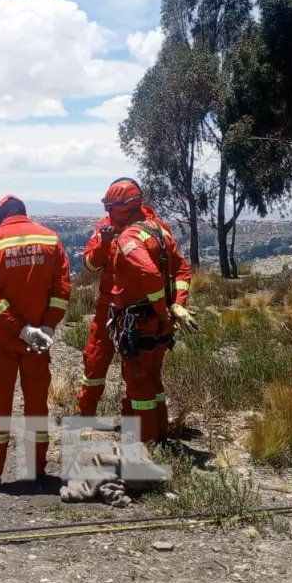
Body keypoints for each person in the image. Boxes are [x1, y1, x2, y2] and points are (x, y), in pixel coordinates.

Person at [0, 195, 71, 486]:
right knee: (37, 406)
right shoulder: (51, 239)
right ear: (24, 214)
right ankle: (36, 470)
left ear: (1, 218)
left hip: (3, 340)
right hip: (39, 343)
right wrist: (47, 328)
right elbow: (62, 290)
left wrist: (19, 329)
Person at [107, 181, 199, 443]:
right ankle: (159, 438)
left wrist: (161, 311)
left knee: (140, 386)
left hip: (143, 323)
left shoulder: (129, 238)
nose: (109, 214)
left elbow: (148, 273)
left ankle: (146, 449)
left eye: (111, 208)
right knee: (153, 380)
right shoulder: (159, 231)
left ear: (123, 209)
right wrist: (177, 304)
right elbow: (182, 270)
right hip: (161, 324)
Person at [76, 178, 140, 416]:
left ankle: (131, 416)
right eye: (109, 208)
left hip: (137, 309)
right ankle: (85, 412)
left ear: (130, 207)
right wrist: (103, 245)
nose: (110, 213)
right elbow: (89, 265)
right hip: (108, 306)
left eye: (115, 208)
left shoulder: (150, 227)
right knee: (94, 358)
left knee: (134, 364)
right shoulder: (105, 227)